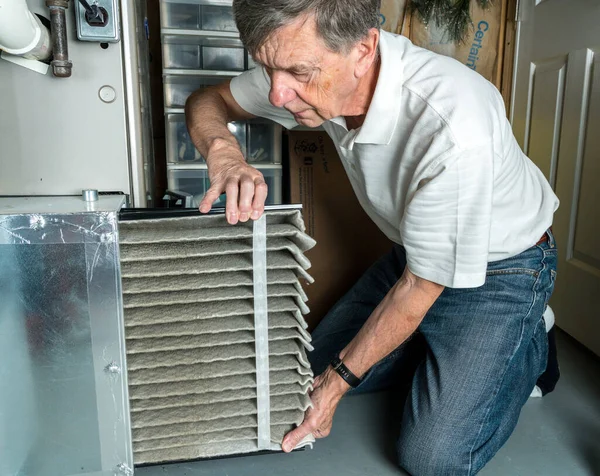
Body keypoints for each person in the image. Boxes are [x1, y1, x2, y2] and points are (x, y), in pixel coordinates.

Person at [185, 1, 559, 474]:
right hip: (415, 258)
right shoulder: (299, 60)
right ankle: (440, 350)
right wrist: (224, 152)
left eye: (298, 73)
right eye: (267, 69)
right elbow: (206, 100)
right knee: (296, 379)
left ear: (363, 49)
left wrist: (339, 383)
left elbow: (421, 288)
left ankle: (532, 337)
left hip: (504, 267)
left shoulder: (454, 122)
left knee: (432, 458)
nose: (278, 95)